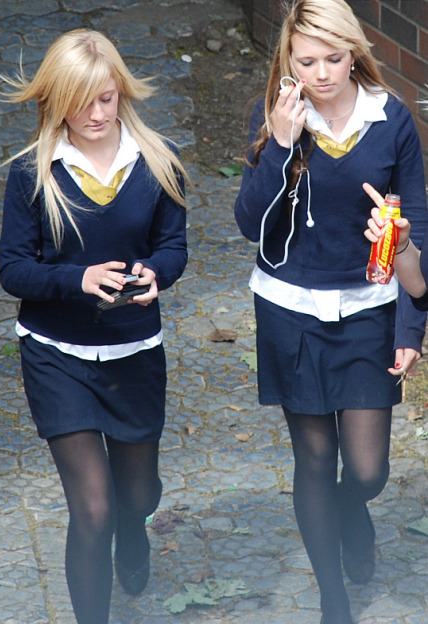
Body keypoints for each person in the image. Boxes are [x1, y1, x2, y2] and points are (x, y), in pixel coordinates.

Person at [234, 1, 428, 623]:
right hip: (290, 310)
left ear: (355, 53)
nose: (321, 74)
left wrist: (411, 325)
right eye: (307, 61)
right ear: (289, 61)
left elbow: (416, 227)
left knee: (367, 471)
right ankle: (333, 600)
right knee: (314, 459)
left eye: (334, 59)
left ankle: (354, 510)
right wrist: (282, 149)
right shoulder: (281, 121)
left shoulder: (391, 118)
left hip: (370, 308)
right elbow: (249, 226)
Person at [0, 30, 188, 624]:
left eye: (107, 98)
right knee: (93, 510)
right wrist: (76, 280)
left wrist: (157, 274)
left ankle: (139, 527)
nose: (96, 114)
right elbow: (13, 270)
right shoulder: (33, 172)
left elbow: (174, 248)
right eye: (82, 101)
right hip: (57, 358)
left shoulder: (159, 162)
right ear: (54, 99)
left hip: (134, 353)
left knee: (137, 496)